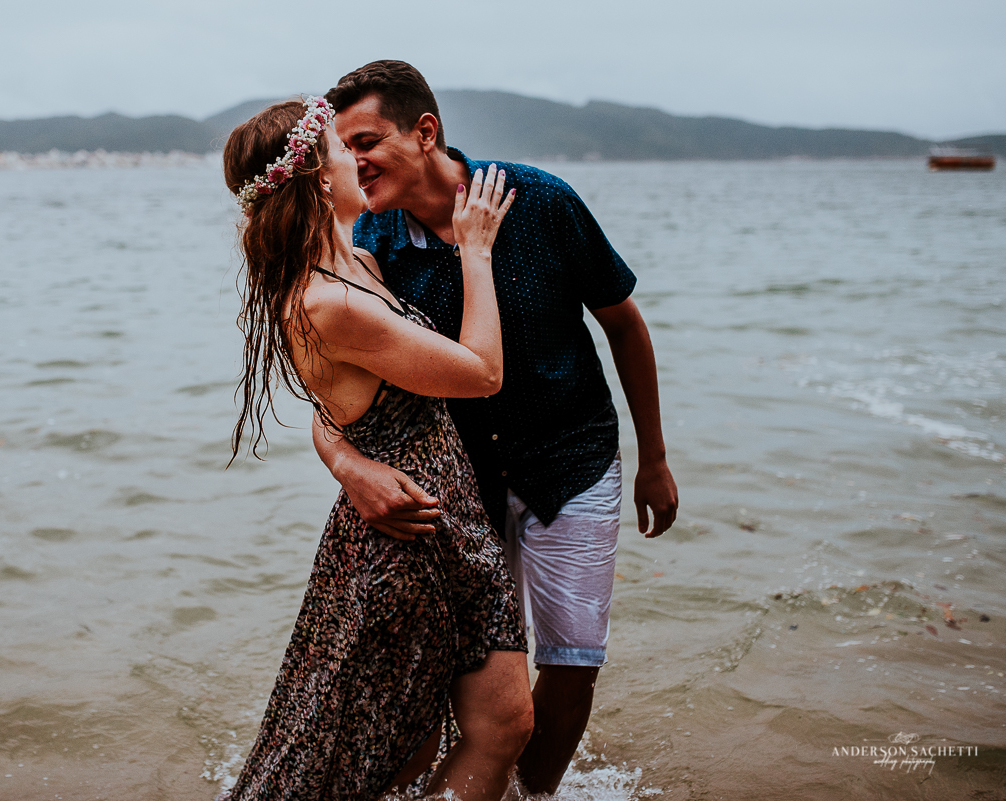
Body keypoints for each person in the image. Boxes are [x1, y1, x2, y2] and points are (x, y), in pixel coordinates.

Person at [318, 61, 680, 794]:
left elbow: (624, 324)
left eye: (367, 140)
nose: (353, 162)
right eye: (342, 147)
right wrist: (347, 465)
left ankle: (533, 793)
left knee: (572, 659)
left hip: (572, 457)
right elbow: (333, 391)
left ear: (425, 132)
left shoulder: (541, 201)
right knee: (459, 666)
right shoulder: (371, 246)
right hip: (459, 483)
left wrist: (654, 459)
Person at [220, 96, 533, 801]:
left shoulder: (356, 263)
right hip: (407, 540)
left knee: (494, 723)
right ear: (319, 180)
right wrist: (475, 249)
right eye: (340, 148)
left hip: (440, 516)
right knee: (403, 750)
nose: (355, 158)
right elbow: (482, 374)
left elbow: (333, 410)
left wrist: (346, 460)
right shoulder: (326, 302)